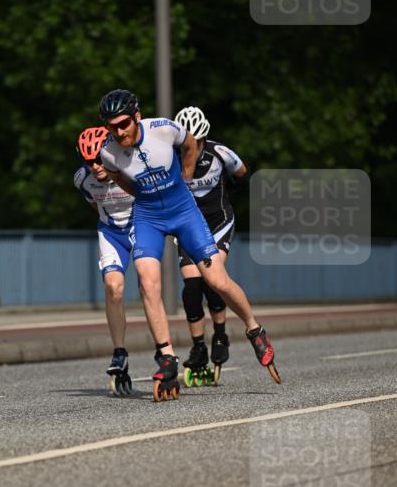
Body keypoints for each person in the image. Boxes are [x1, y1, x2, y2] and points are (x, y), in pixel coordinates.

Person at [97, 89, 279, 399]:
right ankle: (166, 357)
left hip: (183, 212)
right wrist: (140, 194)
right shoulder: (108, 152)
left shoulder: (163, 129)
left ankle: (253, 328)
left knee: (215, 279)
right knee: (147, 282)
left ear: (137, 116)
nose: (119, 131)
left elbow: (191, 144)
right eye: (112, 126)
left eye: (124, 124)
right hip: (149, 217)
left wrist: (185, 174)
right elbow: (118, 177)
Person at [173, 105, 248, 384]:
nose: (191, 148)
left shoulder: (220, 153)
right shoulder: (171, 158)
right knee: (192, 286)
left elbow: (244, 174)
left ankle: (220, 334)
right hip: (189, 226)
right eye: (184, 144)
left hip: (218, 221)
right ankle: (198, 347)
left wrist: (230, 193)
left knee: (213, 281)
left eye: (197, 142)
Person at [74, 126, 135, 395]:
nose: (95, 167)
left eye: (99, 159)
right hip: (111, 230)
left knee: (149, 285)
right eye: (89, 162)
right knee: (113, 288)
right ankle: (119, 352)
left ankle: (164, 351)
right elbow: (94, 205)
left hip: (141, 225)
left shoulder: (131, 166)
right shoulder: (81, 179)